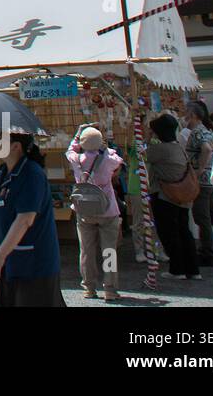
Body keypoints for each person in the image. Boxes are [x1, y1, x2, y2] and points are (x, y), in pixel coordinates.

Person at [0, 133, 63, 307]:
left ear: (15, 146)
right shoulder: (0, 173)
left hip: (33, 265)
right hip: (7, 264)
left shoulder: (32, 174)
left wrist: (0, 255)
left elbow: (25, 219)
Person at [65, 124, 124, 300]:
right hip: (107, 209)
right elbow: (117, 159)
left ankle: (89, 287)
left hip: (84, 210)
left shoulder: (76, 159)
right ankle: (110, 289)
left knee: (86, 251)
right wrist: (103, 146)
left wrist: (78, 134)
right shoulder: (108, 159)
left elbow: (70, 149)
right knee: (109, 251)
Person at [145, 113, 200, 279]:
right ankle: (192, 269)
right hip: (183, 194)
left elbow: (142, 155)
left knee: (169, 233)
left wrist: (146, 136)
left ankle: (177, 269)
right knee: (184, 231)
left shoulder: (159, 149)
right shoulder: (178, 147)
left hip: (165, 195)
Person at [182, 102, 213, 265]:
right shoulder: (210, 132)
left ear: (194, 115)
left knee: (202, 218)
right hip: (211, 180)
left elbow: (206, 149)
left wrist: (199, 171)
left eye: (187, 113)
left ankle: (206, 252)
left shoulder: (198, 132)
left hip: (202, 181)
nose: (185, 117)